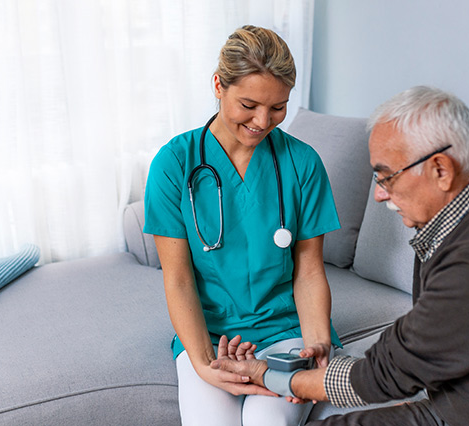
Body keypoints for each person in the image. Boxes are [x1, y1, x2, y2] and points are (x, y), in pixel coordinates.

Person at [216, 86, 469, 425]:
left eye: (386, 176)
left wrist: (272, 377)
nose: (378, 193)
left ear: (442, 170)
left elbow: (384, 375)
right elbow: (417, 347)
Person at [143, 25, 341, 426]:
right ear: (218, 85)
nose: (263, 121)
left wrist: (317, 342)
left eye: (278, 107)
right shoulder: (174, 163)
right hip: (213, 336)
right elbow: (178, 278)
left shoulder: (303, 163)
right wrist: (201, 361)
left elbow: (308, 271)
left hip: (287, 334)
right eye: (249, 104)